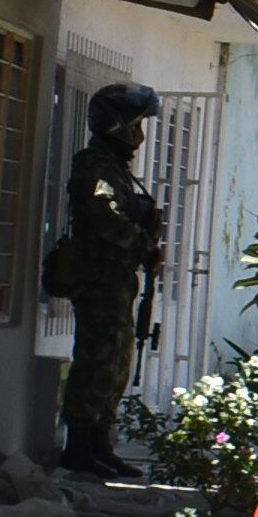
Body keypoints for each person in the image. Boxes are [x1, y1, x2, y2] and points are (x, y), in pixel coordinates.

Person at [50, 83, 169, 473]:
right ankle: (79, 447)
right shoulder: (95, 165)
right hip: (97, 279)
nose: (140, 135)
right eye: (136, 125)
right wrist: (141, 244)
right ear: (118, 125)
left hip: (116, 281)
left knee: (116, 363)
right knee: (94, 360)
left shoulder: (115, 167)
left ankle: (101, 443)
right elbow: (103, 213)